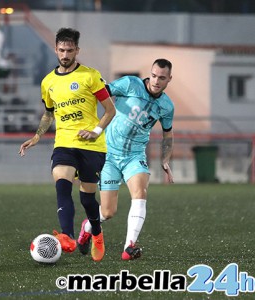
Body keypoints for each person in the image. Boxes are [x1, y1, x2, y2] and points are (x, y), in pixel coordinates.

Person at [18, 28, 116, 262]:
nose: (65, 54)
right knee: (62, 183)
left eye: (69, 50)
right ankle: (67, 236)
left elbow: (110, 110)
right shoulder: (48, 82)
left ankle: (97, 233)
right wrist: (37, 136)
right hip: (64, 143)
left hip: (92, 146)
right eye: (61, 50)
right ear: (56, 49)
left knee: (87, 199)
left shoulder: (90, 76)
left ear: (77, 51)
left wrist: (96, 131)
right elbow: (48, 114)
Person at [77, 59, 175, 260]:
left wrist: (165, 160)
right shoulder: (130, 84)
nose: (156, 81)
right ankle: (87, 226)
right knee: (108, 212)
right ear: (150, 73)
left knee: (140, 192)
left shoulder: (167, 106)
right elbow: (101, 93)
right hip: (109, 155)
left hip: (135, 156)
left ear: (169, 80)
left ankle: (129, 246)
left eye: (162, 78)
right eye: (154, 75)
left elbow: (168, 134)